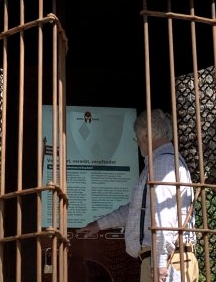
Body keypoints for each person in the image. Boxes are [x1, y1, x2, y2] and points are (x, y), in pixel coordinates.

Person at [77, 108, 198, 282]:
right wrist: (99, 224)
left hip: (167, 262)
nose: (138, 144)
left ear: (147, 136)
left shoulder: (163, 164)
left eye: (137, 139)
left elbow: (164, 215)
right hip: (164, 259)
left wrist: (160, 264)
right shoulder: (159, 163)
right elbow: (138, 210)